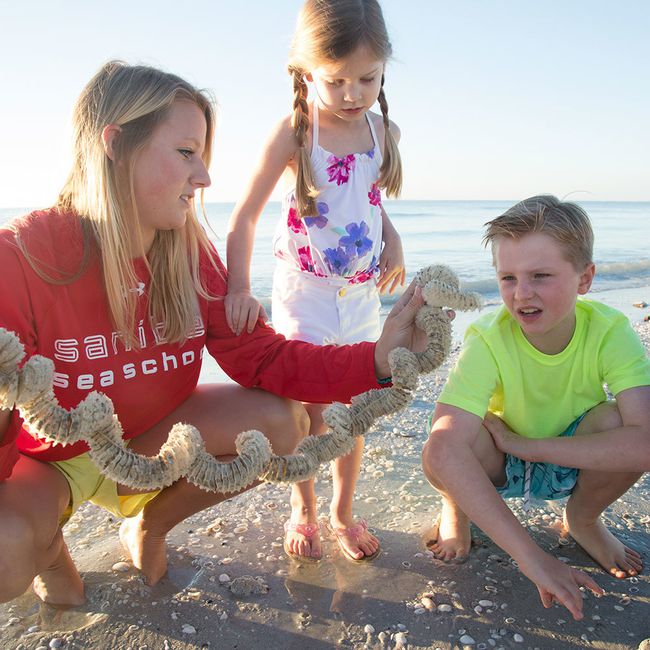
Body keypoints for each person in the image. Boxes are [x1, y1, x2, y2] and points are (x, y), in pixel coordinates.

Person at [0, 60, 428, 607]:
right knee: (8, 555)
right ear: (115, 144)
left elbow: (267, 360)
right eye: (185, 153)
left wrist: (376, 358)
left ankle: (149, 528)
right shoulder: (24, 257)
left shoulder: (189, 255)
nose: (203, 178)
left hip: (155, 437)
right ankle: (52, 549)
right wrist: (39, 538)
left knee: (284, 419)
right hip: (51, 461)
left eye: (202, 156)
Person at [225, 0, 405, 563]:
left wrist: (393, 241)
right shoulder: (296, 133)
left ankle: (342, 512)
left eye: (367, 79)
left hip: (360, 294)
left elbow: (369, 204)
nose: (353, 93)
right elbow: (245, 215)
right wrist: (237, 287)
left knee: (352, 407)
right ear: (305, 72)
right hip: (304, 289)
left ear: (384, 70)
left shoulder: (384, 130)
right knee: (304, 406)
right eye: (337, 81)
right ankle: (302, 505)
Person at [422, 195, 650, 621]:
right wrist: (532, 557)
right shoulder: (489, 337)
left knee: (622, 419)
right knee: (448, 440)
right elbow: (442, 450)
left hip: (566, 452)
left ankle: (583, 519)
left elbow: (645, 442)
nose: (521, 293)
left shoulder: (611, 331)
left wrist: (537, 447)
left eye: (541, 276)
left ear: (585, 279)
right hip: (500, 458)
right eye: (508, 277)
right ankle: (458, 507)